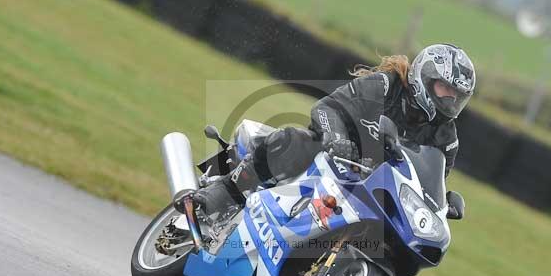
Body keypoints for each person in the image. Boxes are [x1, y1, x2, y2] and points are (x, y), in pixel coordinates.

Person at [194, 43, 476, 219]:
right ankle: (225, 192)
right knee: (299, 140)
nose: (449, 98)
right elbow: (327, 108)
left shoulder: (446, 139)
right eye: (445, 88)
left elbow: (429, 181)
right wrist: (336, 138)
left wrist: (442, 203)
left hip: (372, 188)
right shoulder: (385, 86)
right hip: (332, 160)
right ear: (424, 77)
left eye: (456, 95)